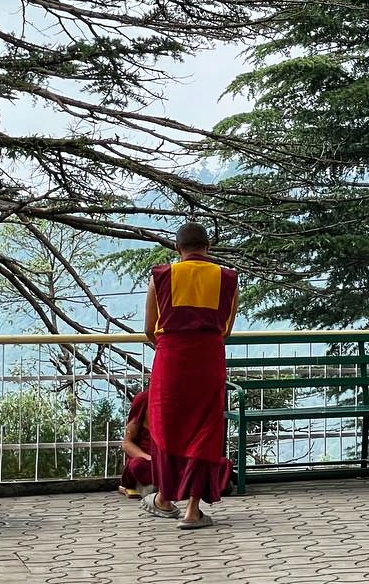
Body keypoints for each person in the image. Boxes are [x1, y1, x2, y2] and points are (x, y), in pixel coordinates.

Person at [141, 222, 238, 529]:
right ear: (208, 247)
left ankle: (164, 499)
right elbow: (227, 330)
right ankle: (193, 511)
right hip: (209, 356)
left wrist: (172, 346)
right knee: (205, 430)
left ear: (176, 249)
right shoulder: (227, 278)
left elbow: (148, 328)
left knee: (165, 426)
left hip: (171, 357)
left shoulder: (162, 275)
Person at [117, 389, 154, 498]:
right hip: (148, 461)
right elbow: (127, 443)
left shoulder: (183, 400)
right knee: (138, 465)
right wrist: (149, 458)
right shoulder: (145, 399)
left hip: (170, 461)